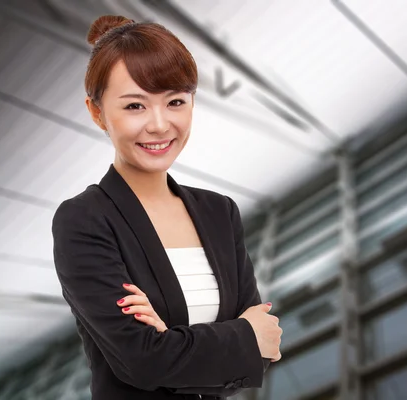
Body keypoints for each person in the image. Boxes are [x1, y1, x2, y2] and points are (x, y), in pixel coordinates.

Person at [51, 15, 282, 400]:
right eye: (135, 106)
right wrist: (239, 339)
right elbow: (140, 361)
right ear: (97, 113)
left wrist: (173, 343)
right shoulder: (85, 220)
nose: (159, 125)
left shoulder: (219, 212)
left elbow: (263, 353)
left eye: (175, 101)